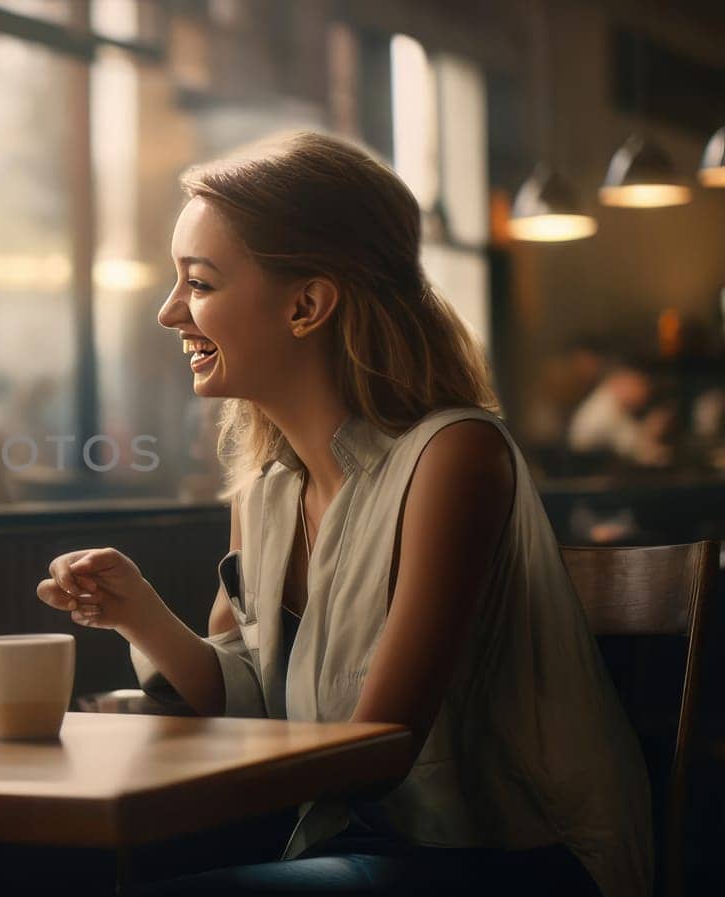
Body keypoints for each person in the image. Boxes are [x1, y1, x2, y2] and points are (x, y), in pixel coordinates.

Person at [36, 133, 648, 897]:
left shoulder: (454, 455)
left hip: (506, 863)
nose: (169, 313)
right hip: (344, 841)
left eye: (199, 283)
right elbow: (247, 702)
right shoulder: (262, 489)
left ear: (306, 305)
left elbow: (380, 749)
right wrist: (140, 613)